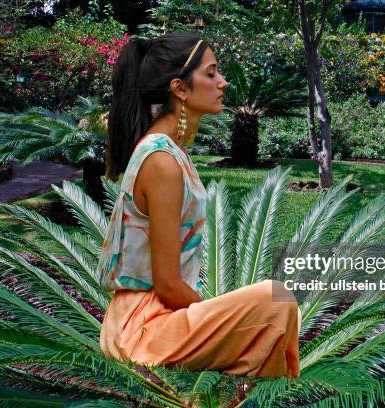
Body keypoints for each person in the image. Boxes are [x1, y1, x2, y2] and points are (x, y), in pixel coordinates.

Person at [98, 32, 300, 378]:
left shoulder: (167, 151)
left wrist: (217, 313)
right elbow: (167, 285)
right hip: (144, 331)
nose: (222, 83)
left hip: (151, 318)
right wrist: (214, 314)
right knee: (273, 299)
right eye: (211, 73)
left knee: (270, 303)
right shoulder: (161, 161)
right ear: (179, 88)